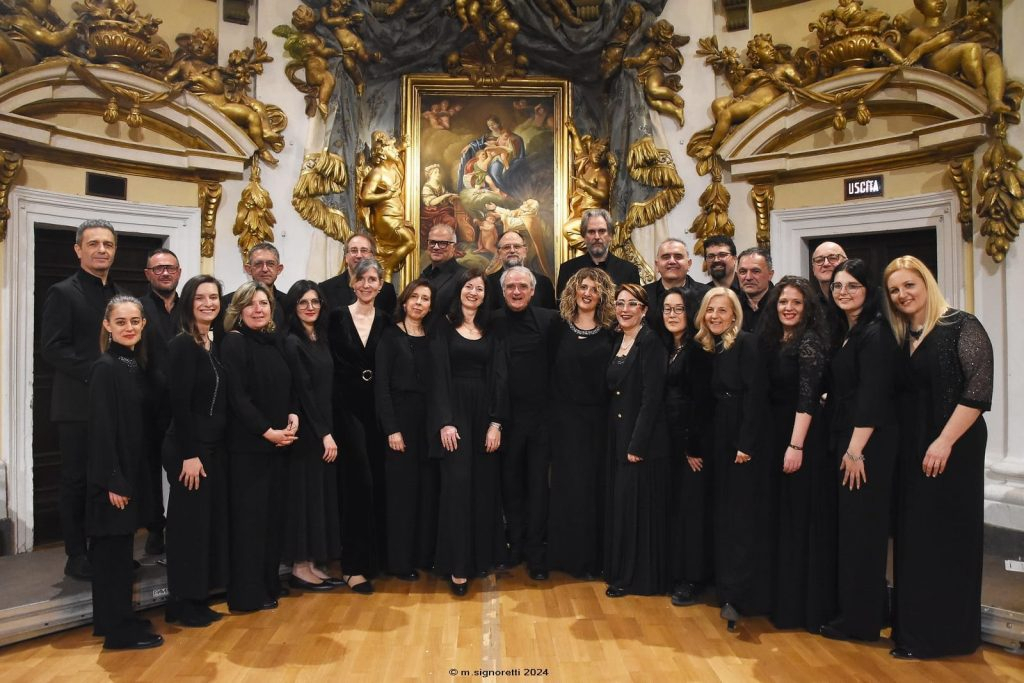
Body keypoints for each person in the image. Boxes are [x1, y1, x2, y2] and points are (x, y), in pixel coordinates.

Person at [884, 256, 993, 660]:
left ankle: (948, 637)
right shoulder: (901, 335)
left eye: (909, 285)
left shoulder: (962, 325)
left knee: (948, 539)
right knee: (915, 539)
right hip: (912, 448)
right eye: (895, 290)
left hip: (954, 447)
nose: (902, 295)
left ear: (926, 283)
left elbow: (978, 392)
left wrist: (944, 442)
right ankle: (913, 634)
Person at [819, 258, 899, 643]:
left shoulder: (876, 332)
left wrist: (854, 451)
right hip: (848, 437)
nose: (843, 292)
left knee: (862, 534)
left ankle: (860, 622)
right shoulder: (848, 330)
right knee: (852, 530)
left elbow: (873, 395)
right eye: (838, 286)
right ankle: (866, 611)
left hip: (865, 446)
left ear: (869, 291)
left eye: (852, 285)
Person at [41, 218, 122, 580]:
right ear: (78, 250)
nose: (102, 250)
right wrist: (99, 373)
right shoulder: (63, 292)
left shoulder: (120, 295)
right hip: (77, 405)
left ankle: (106, 549)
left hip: (115, 406)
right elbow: (52, 348)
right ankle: (76, 554)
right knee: (77, 480)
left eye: (108, 244)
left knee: (109, 478)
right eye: (94, 244)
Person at [756, 276, 835, 632]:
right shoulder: (774, 339)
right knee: (779, 518)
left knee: (797, 520)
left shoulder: (810, 341)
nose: (788, 308)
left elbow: (808, 398)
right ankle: (778, 598)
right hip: (775, 433)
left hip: (799, 437)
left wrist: (796, 445)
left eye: (796, 303)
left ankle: (799, 608)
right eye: (783, 302)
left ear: (807, 309)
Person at [87, 295, 163, 650]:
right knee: (112, 558)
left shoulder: (133, 363)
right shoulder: (106, 368)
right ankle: (118, 632)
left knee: (117, 555)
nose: (129, 327)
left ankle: (113, 621)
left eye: (135, 321)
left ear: (143, 324)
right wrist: (113, 479)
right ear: (107, 325)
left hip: (129, 472)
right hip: (112, 478)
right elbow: (102, 429)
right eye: (121, 322)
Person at [694, 287, 771, 629]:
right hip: (718, 435)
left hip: (741, 435)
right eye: (710, 310)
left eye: (722, 310)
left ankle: (739, 595)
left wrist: (746, 443)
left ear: (735, 314)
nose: (715, 316)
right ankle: (725, 590)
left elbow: (756, 395)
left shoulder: (747, 343)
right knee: (722, 513)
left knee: (740, 516)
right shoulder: (710, 347)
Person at [221, 282, 298, 613]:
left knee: (272, 521)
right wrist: (268, 432)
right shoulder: (234, 342)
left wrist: (293, 415)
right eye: (250, 304)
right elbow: (238, 398)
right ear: (239, 310)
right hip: (249, 448)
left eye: (263, 303)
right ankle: (247, 594)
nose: (258, 309)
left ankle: (268, 582)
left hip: (277, 445)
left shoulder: (273, 340)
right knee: (250, 524)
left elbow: (288, 384)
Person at [430, 268, 508, 596]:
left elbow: (501, 377)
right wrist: (445, 421)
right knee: (457, 488)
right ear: (459, 290)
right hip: (455, 415)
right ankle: (458, 566)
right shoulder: (443, 327)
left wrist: (496, 423)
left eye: (479, 288)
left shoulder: (491, 329)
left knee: (484, 488)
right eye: (469, 287)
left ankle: (480, 559)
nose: (474, 292)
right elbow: (437, 376)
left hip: (484, 415)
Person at [162, 275, 229, 628]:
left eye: (214, 297)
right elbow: (180, 404)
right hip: (189, 449)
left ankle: (197, 597)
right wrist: (190, 454)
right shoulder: (182, 345)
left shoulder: (209, 343)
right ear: (188, 302)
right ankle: (181, 603)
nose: (208, 303)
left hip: (208, 447)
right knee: (187, 528)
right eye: (201, 297)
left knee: (203, 527)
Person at [491, 266, 560, 579]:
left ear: (533, 291)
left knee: (538, 487)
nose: (516, 292)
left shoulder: (549, 321)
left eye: (522, 286)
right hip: (505, 420)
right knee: (509, 485)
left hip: (541, 420)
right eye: (510, 287)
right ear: (502, 291)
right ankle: (514, 546)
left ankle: (536, 553)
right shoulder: (492, 321)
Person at [547, 268, 616, 580]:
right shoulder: (557, 328)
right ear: (573, 290)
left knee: (592, 488)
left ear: (602, 296)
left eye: (594, 289)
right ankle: (564, 555)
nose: (588, 293)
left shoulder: (611, 333)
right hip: (563, 421)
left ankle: (590, 559)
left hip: (597, 422)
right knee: (567, 487)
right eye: (583, 287)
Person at [328, 258, 391, 594]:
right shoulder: (336, 317)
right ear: (352, 283)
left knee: (377, 484)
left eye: (373, 280)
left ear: (381, 285)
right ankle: (352, 567)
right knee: (356, 484)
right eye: (361, 279)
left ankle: (373, 560)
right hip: (345, 409)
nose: (367, 285)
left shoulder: (386, 320)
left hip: (376, 411)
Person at [604, 284, 671, 598]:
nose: (625, 309)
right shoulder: (619, 339)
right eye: (620, 303)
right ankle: (620, 570)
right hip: (618, 434)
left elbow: (651, 398)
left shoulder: (651, 342)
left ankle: (634, 577)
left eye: (632, 304)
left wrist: (637, 444)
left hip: (640, 441)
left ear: (644, 310)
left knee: (635, 509)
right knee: (622, 506)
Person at [375, 279, 438, 580]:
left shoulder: (432, 337)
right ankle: (400, 562)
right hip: (400, 422)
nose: (419, 303)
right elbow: (381, 388)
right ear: (404, 301)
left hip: (427, 425)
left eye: (425, 299)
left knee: (426, 491)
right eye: (414, 297)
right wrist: (392, 429)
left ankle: (423, 555)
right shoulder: (389, 337)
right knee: (402, 494)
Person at [282, 281, 342, 592]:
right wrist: (324, 434)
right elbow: (304, 392)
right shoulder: (292, 342)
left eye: (315, 302)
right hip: (307, 432)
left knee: (318, 497)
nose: (310, 307)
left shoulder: (319, 337)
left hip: (323, 425)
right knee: (304, 499)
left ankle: (312, 563)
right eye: (303, 302)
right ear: (293, 307)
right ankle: (299, 567)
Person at [662, 287, 715, 608]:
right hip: (671, 441)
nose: (672, 315)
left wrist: (692, 448)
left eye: (678, 309)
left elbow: (702, 402)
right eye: (667, 309)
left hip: (691, 445)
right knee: (678, 510)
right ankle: (678, 572)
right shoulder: (670, 347)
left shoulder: (697, 350)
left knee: (692, 512)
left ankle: (693, 578)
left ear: (690, 312)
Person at [139, 247, 182, 557]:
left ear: (179, 273)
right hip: (148, 404)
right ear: (148, 274)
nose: (165, 273)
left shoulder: (190, 307)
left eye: (170, 268)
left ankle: (181, 528)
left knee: (182, 468)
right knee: (149, 469)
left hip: (183, 405)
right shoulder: (137, 308)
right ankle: (155, 528)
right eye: (158, 268)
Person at [556, 208, 640, 296]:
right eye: (591, 232)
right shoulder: (567, 270)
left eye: (602, 231)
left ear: (610, 235)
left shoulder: (629, 271)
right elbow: (562, 304)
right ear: (584, 236)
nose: (597, 237)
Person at [218, 242, 289, 342]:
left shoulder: (288, 303)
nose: (265, 269)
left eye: (270, 264)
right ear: (248, 269)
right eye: (258, 264)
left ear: (279, 269)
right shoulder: (227, 302)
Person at [319, 232, 397, 314]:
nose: (359, 255)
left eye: (364, 250)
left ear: (373, 257)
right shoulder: (325, 289)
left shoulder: (387, 291)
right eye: (354, 250)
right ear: (346, 257)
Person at [644, 238, 709, 333]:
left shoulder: (707, 295)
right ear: (657, 265)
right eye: (666, 257)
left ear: (689, 264)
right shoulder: (642, 295)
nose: (672, 261)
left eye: (678, 257)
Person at [486, 229, 556, 310]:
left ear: (525, 251)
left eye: (517, 246)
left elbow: (551, 315)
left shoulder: (543, 283)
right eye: (506, 247)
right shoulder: (487, 283)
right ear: (499, 253)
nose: (512, 250)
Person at [421, 223, 468, 319]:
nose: (436, 247)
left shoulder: (464, 277)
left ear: (454, 247)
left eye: (443, 243)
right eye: (432, 242)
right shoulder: (423, 275)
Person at [736, 247, 774, 333]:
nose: (748, 277)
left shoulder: (781, 305)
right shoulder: (732, 305)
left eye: (756, 271)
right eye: (743, 271)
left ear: (770, 274)